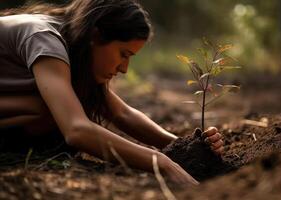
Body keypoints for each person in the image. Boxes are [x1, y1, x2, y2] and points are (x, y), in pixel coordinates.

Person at [0, 0, 224, 185]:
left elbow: (121, 113)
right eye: (123, 54)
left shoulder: (73, 43)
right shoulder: (44, 38)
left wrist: (184, 147)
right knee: (53, 108)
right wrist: (161, 163)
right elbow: (76, 129)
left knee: (66, 104)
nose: (124, 69)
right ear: (96, 36)